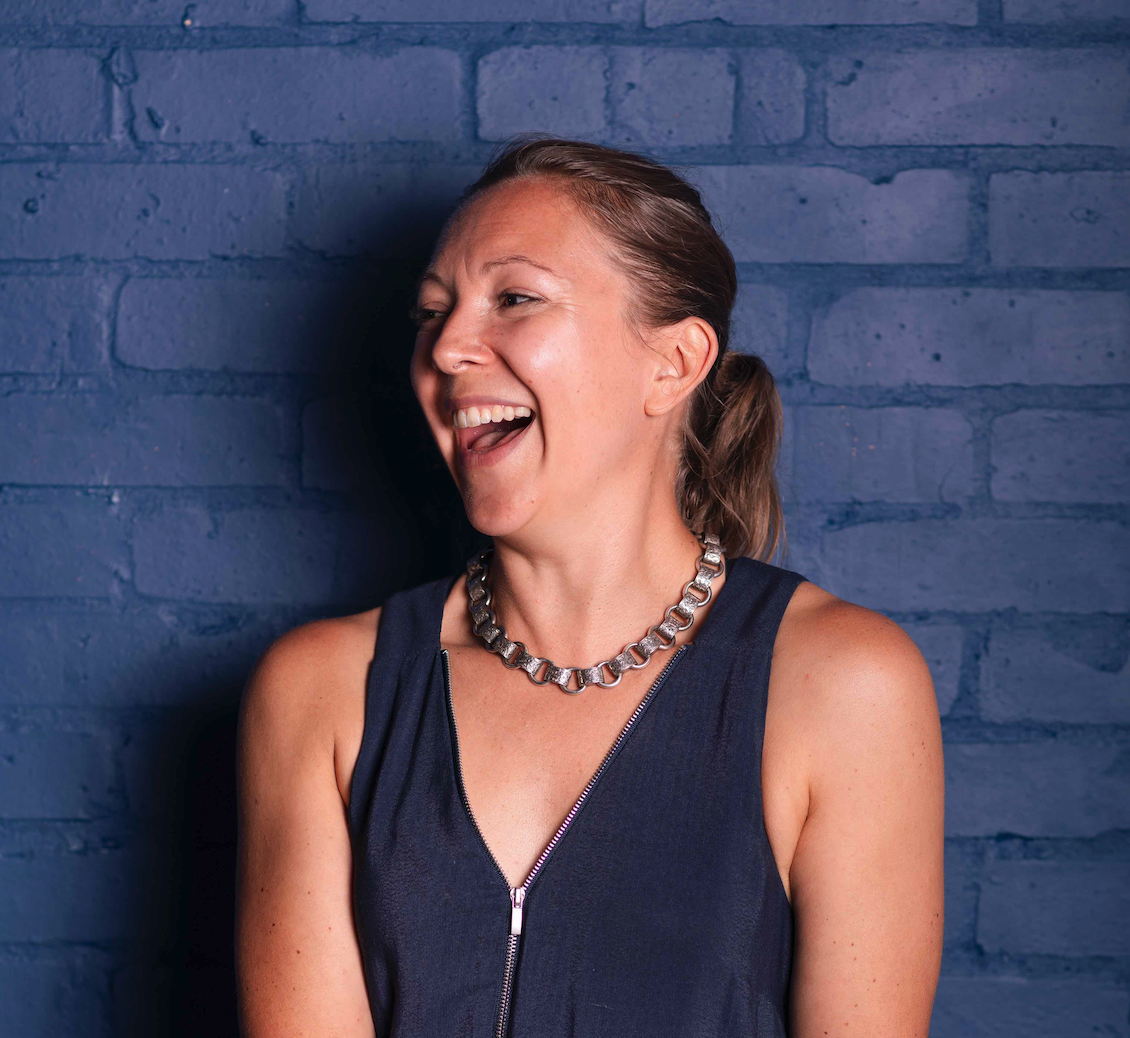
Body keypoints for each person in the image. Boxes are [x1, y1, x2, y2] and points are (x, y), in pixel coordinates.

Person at [235, 135, 944, 1037]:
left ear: (674, 363)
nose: (448, 347)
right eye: (431, 314)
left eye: (516, 299)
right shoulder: (323, 694)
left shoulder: (843, 684)